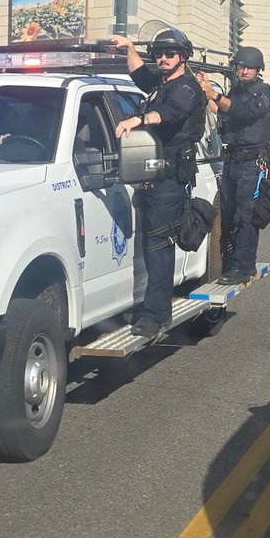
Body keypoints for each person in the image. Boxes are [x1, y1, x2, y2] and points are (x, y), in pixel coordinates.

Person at [110, 27, 207, 340]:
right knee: (149, 245)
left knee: (158, 246)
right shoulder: (162, 83)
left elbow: (171, 112)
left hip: (170, 176)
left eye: (169, 54)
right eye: (158, 54)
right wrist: (128, 48)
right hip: (150, 171)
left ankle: (156, 315)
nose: (162, 59)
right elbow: (140, 76)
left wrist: (138, 120)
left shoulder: (187, 88)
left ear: (182, 56)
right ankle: (151, 305)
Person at [195, 45, 270, 285]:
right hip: (232, 160)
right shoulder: (236, 92)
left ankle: (244, 267)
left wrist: (215, 95)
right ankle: (231, 264)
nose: (244, 71)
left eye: (249, 67)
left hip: (252, 163)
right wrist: (205, 89)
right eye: (241, 66)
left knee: (246, 216)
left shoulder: (263, 94)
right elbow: (222, 113)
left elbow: (241, 113)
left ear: (258, 69)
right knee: (229, 216)